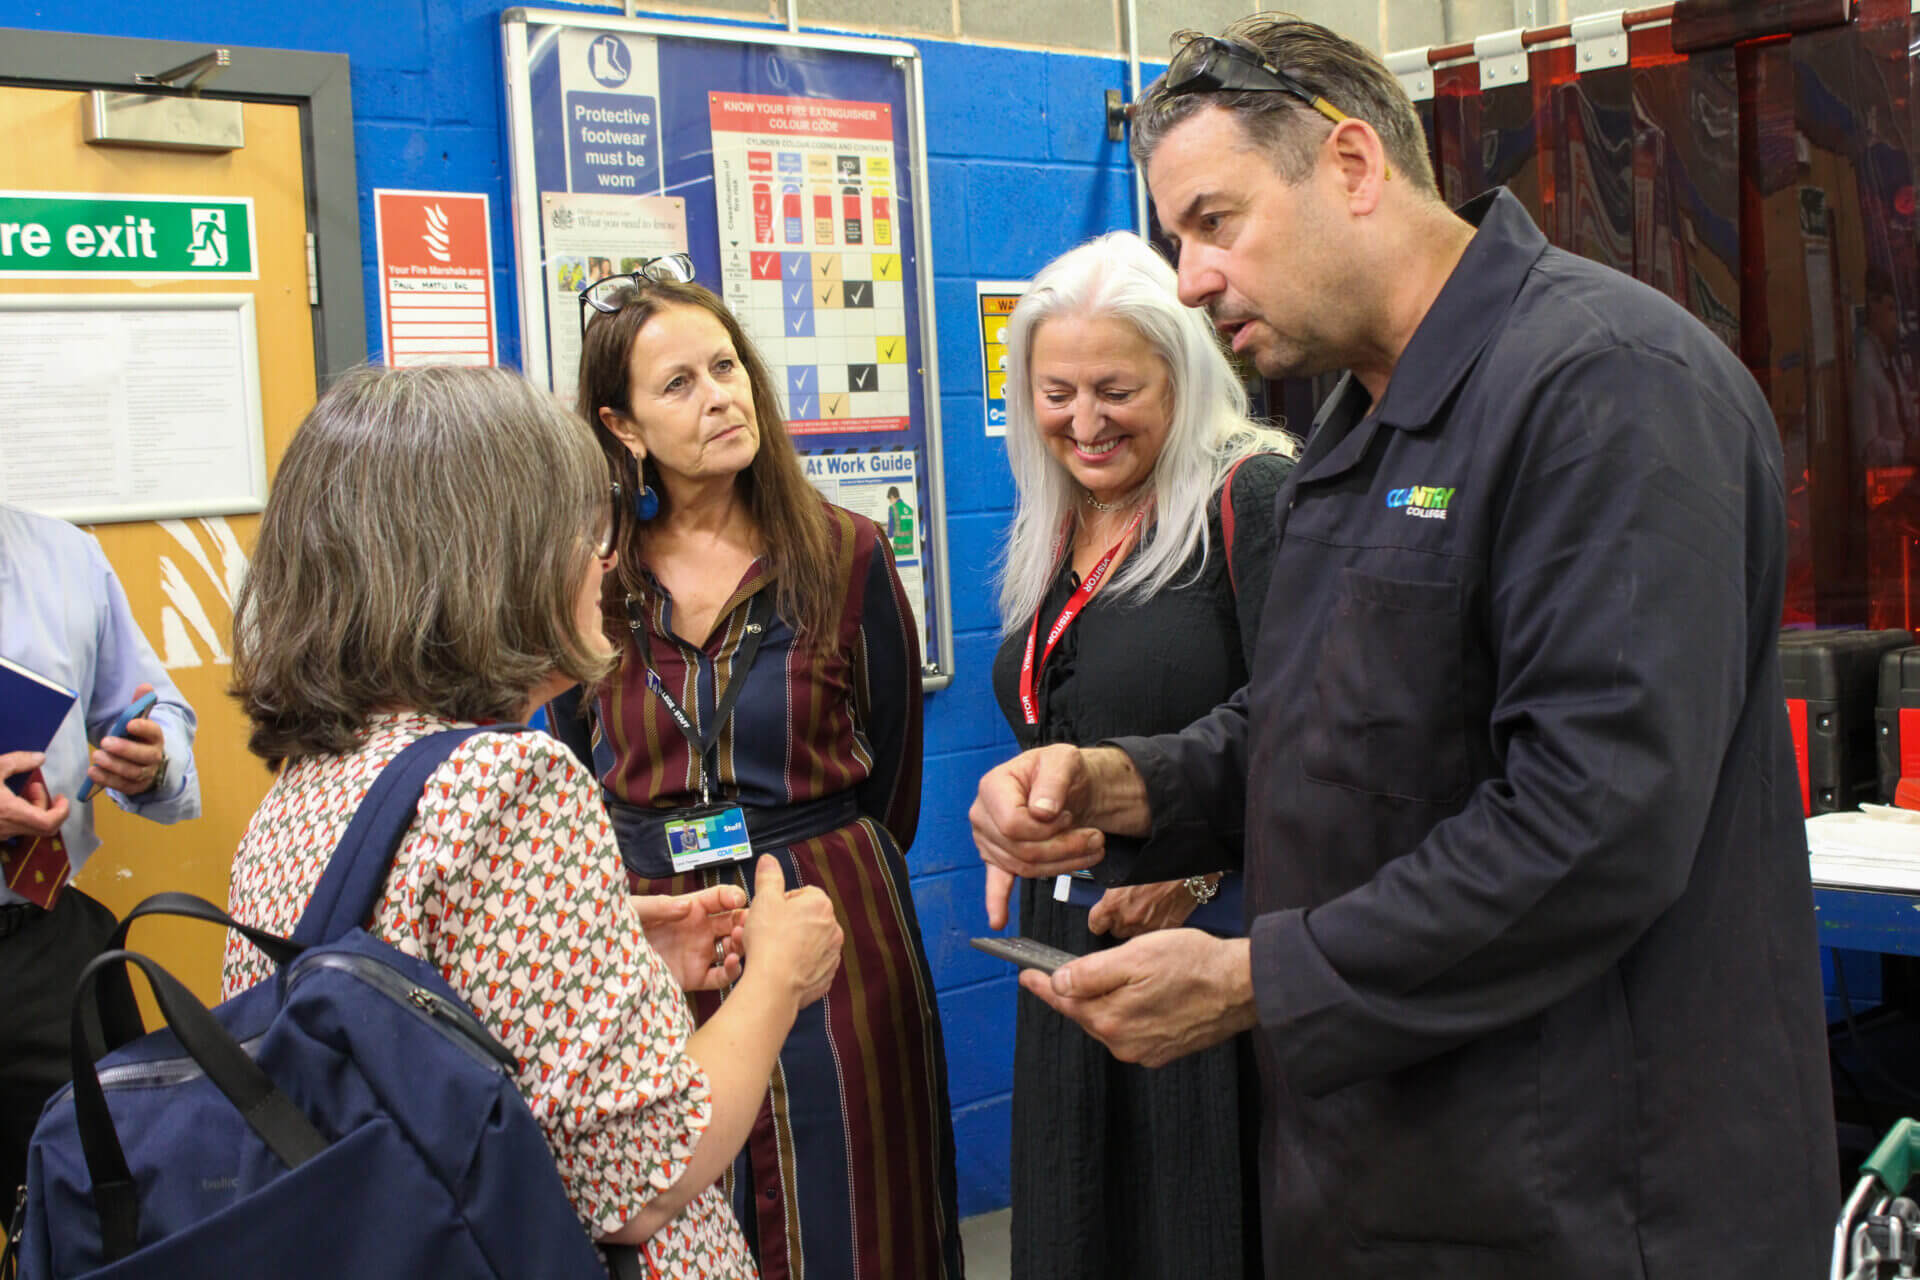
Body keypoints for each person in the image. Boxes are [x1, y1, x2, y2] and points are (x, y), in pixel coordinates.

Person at [971, 16, 1836, 1280]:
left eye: (1216, 222)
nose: (1194, 279)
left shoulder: (1606, 390)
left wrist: (1257, 974)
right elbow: (1318, 715)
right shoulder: (1357, 425)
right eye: (1178, 240)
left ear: (1355, 166)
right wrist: (1127, 785)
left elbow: (1591, 823)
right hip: (1395, 1174)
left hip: (1593, 1197)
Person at [220, 364, 846, 1274]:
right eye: (578, 529)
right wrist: (776, 981)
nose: (603, 558)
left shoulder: (304, 785)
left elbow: (395, 1026)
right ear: (492, 559)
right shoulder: (511, 781)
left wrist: (604, 945)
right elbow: (634, 1183)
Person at [567, 269, 963, 1278]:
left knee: (862, 1215)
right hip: (654, 943)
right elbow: (575, 771)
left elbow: (895, 780)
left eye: (727, 367)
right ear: (622, 424)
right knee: (683, 1211)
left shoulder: (846, 553)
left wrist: (812, 860)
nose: (721, 396)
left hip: (834, 926)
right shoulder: (587, 580)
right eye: (680, 384)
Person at [989, 230, 1292, 1280]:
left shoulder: (1249, 497)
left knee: (1197, 1224)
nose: (1084, 421)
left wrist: (1205, 868)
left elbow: (1311, 726)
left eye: (1115, 388)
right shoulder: (1059, 519)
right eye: (1056, 391)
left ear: (1185, 370)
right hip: (1070, 935)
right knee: (1084, 1219)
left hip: (1210, 939)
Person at [0, 501, 200, 1208]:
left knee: (101, 1214)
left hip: (49, 943)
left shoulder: (66, 557)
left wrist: (153, 760)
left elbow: (154, 709)